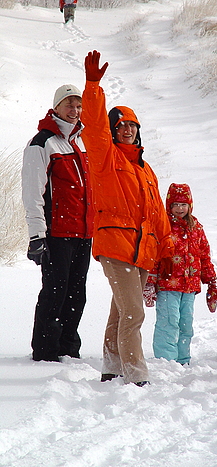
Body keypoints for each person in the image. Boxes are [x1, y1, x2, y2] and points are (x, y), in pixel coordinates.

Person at [81, 50, 174, 386]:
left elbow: (158, 213)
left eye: (132, 126)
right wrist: (93, 86)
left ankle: (111, 366)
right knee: (134, 312)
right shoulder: (105, 157)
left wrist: (166, 248)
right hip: (115, 243)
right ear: (113, 130)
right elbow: (92, 127)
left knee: (121, 311)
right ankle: (136, 375)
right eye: (121, 126)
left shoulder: (145, 169)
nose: (128, 131)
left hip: (142, 250)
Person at [22, 84, 94, 362]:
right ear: (56, 107)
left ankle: (68, 348)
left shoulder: (80, 141)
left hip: (82, 233)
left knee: (77, 294)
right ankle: (46, 352)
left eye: (78, 106)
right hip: (56, 233)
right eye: (69, 105)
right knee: (55, 293)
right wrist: (37, 235)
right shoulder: (42, 143)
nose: (74, 111)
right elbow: (32, 193)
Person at [143, 183, 217, 365]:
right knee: (169, 323)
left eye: (183, 205)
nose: (179, 209)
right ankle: (166, 361)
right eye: (175, 205)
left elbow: (204, 256)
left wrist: (211, 282)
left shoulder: (196, 228)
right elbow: (154, 255)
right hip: (167, 284)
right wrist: (150, 281)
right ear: (168, 205)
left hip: (189, 287)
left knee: (186, 325)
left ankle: (182, 360)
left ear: (190, 205)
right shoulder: (162, 226)